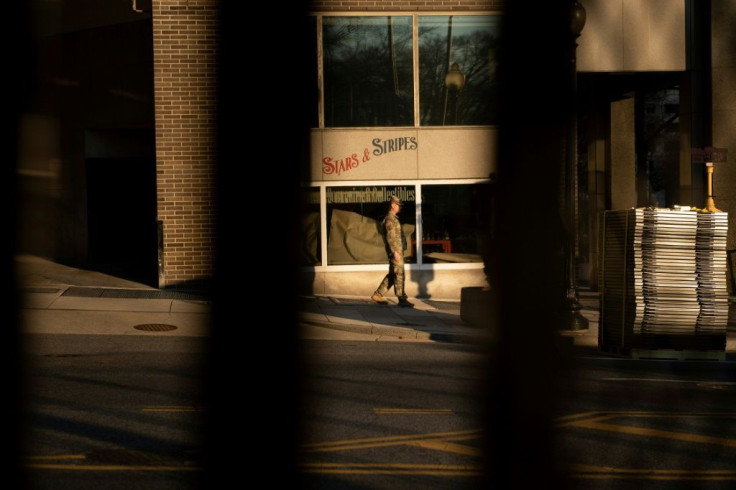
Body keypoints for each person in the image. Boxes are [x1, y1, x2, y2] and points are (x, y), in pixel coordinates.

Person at [371, 195, 414, 307]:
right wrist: (395, 252)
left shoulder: (393, 218)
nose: (400, 207)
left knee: (393, 274)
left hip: (397, 251)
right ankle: (402, 298)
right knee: (399, 274)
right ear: (393, 205)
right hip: (396, 252)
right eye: (398, 205)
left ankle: (378, 294)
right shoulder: (390, 219)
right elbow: (390, 237)